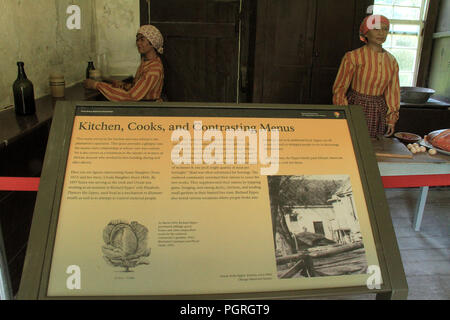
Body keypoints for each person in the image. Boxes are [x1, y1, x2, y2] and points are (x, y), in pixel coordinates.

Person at [332, 15, 400, 138]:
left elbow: (392, 92)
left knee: (373, 146)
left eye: (385, 29)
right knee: (353, 142)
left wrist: (391, 118)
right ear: (366, 32)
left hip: (378, 110)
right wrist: (345, 112)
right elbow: (340, 88)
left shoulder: (392, 61)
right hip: (356, 108)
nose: (381, 33)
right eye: (376, 29)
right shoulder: (353, 57)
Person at [84, 25, 164, 102]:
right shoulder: (146, 61)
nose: (138, 43)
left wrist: (96, 85)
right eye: (137, 40)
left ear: (152, 43)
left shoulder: (154, 70)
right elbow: (138, 86)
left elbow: (131, 96)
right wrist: (123, 85)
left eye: (142, 40)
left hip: (147, 110)